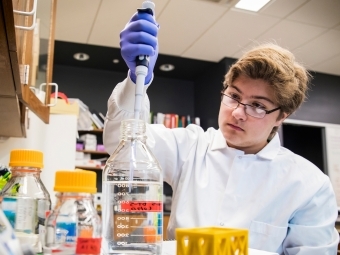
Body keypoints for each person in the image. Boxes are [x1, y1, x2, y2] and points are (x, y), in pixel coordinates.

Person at [103, 10, 339, 255]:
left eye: (258, 106)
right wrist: (136, 79)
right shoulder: (191, 146)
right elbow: (119, 141)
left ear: (281, 116)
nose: (237, 112)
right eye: (234, 96)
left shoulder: (309, 184)